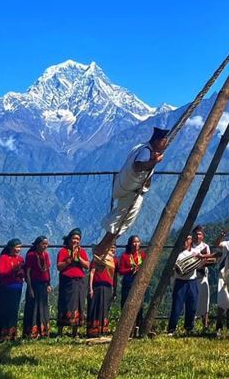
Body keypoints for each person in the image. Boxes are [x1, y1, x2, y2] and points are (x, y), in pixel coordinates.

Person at [93, 127, 168, 266]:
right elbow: (138, 166)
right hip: (133, 193)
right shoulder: (146, 151)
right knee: (122, 223)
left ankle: (104, 249)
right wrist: (154, 162)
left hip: (128, 190)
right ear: (158, 140)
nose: (166, 144)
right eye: (164, 140)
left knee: (120, 221)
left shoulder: (142, 147)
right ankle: (101, 249)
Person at [57, 228, 89, 337]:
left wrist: (78, 257)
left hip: (80, 281)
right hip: (67, 282)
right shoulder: (63, 251)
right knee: (65, 304)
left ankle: (75, 332)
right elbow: (59, 267)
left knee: (78, 305)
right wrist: (69, 260)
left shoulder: (82, 251)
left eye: (78, 239)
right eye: (74, 239)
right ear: (69, 239)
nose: (76, 241)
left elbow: (87, 266)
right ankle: (60, 332)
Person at [168, 233, 202, 335]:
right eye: (184, 239)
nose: (185, 242)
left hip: (192, 281)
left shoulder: (195, 252)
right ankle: (172, 328)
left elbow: (200, 263)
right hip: (180, 282)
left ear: (190, 240)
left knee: (192, 305)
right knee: (177, 306)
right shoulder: (177, 254)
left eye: (187, 239)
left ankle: (189, 327)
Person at [0, 238, 26, 342]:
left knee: (13, 311)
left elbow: (23, 273)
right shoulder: (3, 258)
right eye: (16, 247)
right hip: (6, 288)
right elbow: (1, 273)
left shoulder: (20, 259)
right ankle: (1, 334)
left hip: (17, 288)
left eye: (19, 247)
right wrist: (14, 270)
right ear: (11, 248)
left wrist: (21, 272)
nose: (18, 249)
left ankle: (12, 334)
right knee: (4, 310)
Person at [23, 235, 52, 340]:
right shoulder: (31, 255)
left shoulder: (46, 255)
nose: (45, 246)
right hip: (34, 284)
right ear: (37, 244)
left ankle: (43, 331)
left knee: (43, 307)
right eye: (43, 244)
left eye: (46, 244)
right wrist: (30, 287)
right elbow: (28, 272)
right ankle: (32, 332)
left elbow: (47, 270)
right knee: (33, 307)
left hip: (44, 285)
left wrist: (49, 284)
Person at [86, 241, 116, 338]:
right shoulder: (98, 259)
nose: (113, 249)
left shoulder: (114, 261)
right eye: (111, 247)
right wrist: (90, 288)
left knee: (105, 308)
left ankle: (103, 329)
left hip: (108, 286)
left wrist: (114, 288)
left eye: (114, 247)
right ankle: (93, 330)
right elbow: (92, 273)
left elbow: (115, 276)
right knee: (96, 307)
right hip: (97, 286)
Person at [190, 226, 215, 331]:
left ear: (203, 236)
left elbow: (210, 260)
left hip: (203, 277)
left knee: (205, 301)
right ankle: (191, 325)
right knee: (192, 301)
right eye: (195, 234)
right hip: (191, 277)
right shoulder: (189, 247)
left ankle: (205, 325)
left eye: (199, 234)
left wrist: (201, 260)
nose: (197, 236)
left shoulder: (206, 247)